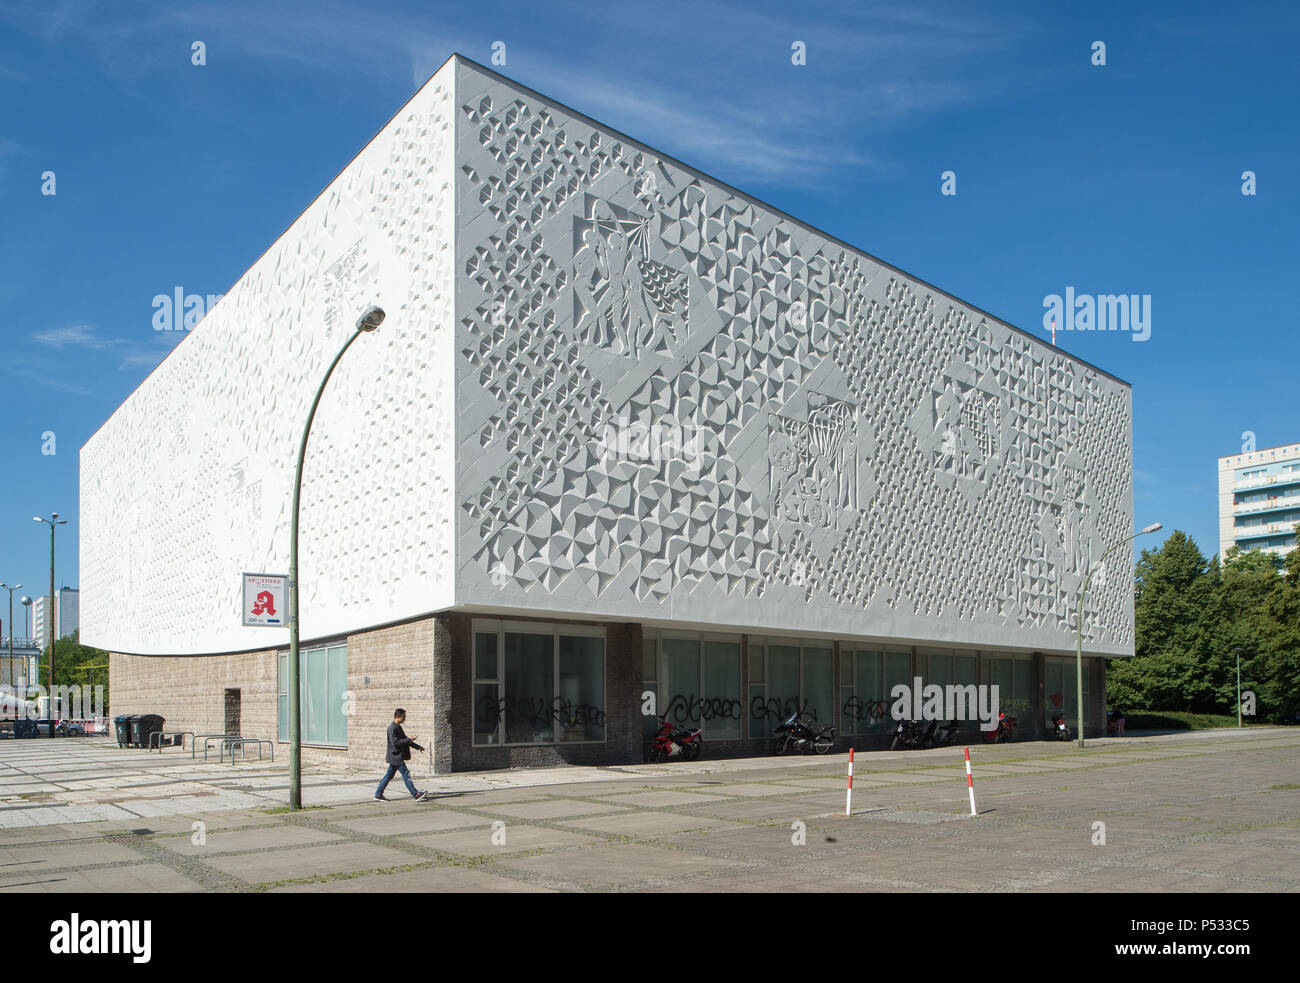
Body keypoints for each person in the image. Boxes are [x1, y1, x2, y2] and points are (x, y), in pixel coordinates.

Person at [375, 708, 431, 801]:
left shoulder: (398, 727)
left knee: (388, 776)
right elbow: (395, 743)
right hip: (395, 756)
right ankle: (416, 794)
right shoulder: (392, 728)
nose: (405, 719)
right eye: (403, 717)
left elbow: (405, 740)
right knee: (406, 775)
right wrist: (409, 739)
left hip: (395, 757)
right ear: (397, 717)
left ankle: (378, 794)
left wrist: (417, 747)